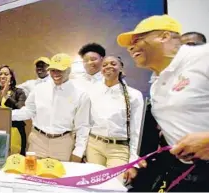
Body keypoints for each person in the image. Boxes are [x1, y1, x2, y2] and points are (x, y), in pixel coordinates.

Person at [117, 14, 209, 192]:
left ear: (164, 36)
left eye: (137, 39)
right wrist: (142, 158)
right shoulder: (156, 84)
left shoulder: (204, 57)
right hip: (189, 174)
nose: (130, 47)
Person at [11, 53, 91, 162]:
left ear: (69, 70)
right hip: (37, 141)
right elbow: (29, 111)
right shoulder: (39, 89)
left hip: (63, 143)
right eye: (53, 70)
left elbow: (82, 126)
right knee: (32, 175)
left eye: (60, 70)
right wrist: (6, 116)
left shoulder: (81, 94)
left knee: (60, 177)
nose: (55, 74)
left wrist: (78, 151)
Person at [86, 56, 144, 176]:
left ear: (121, 67)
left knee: (115, 185)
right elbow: (85, 122)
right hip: (94, 145)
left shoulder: (133, 95)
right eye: (105, 65)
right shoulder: (92, 91)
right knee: (93, 185)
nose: (108, 67)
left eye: (113, 63)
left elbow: (136, 129)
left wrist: (133, 161)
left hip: (119, 148)